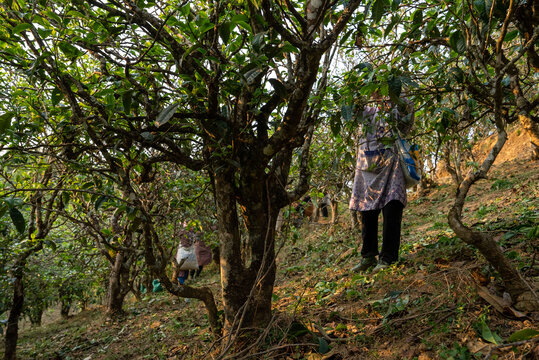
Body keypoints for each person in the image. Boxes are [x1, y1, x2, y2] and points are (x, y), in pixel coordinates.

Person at [349, 92, 414, 273]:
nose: (377, 94)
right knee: (367, 212)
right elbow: (349, 112)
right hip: (367, 169)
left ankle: (388, 258)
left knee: (392, 208)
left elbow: (406, 121)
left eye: (381, 89)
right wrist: (354, 95)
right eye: (374, 91)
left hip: (391, 166)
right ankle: (368, 256)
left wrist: (395, 96)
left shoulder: (395, 109)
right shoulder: (367, 111)